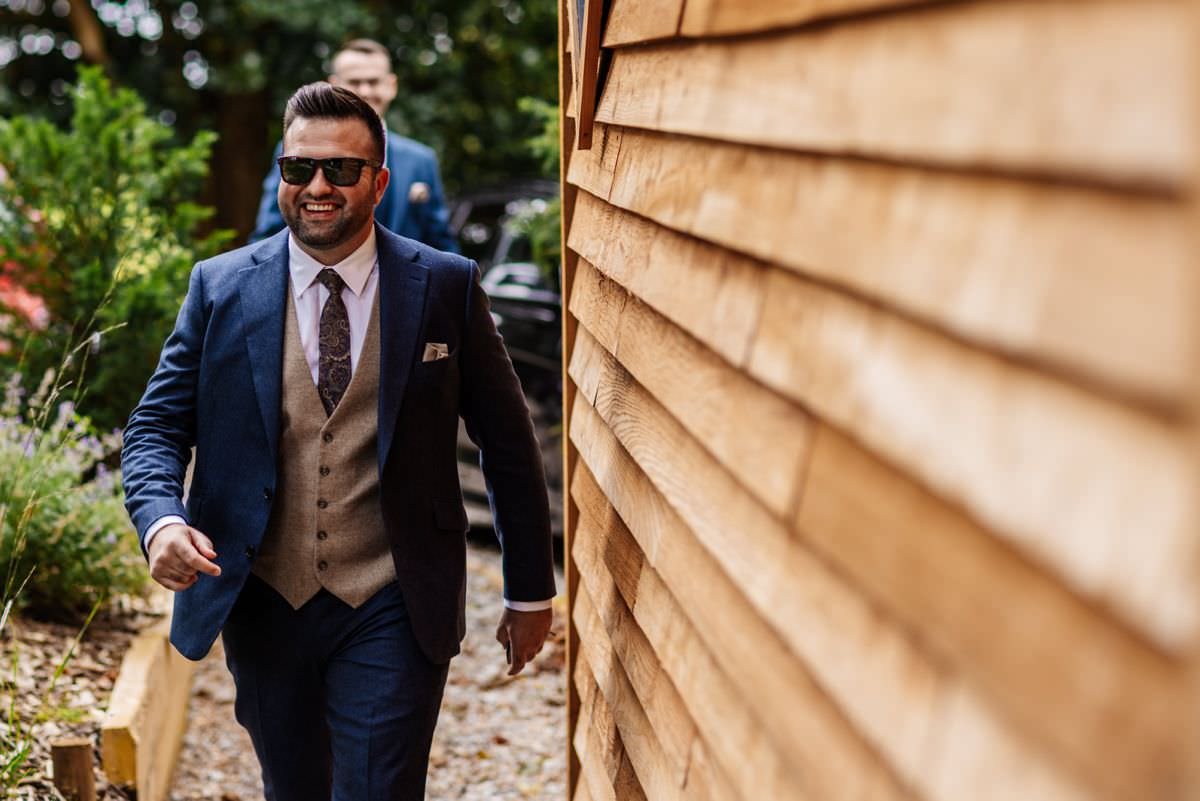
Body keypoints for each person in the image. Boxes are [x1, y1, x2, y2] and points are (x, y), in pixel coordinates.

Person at [121, 83, 555, 801]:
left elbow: (507, 441)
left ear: (379, 182)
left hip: (394, 592)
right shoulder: (219, 286)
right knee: (292, 787)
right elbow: (156, 426)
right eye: (299, 169)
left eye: (341, 171)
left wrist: (530, 588)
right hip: (262, 594)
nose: (317, 187)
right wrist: (161, 520)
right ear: (281, 174)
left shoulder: (445, 285)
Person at [250, 39, 458, 253]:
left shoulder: (421, 160)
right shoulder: (295, 151)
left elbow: (441, 243)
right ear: (333, 85)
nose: (365, 91)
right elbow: (269, 233)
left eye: (374, 81)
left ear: (391, 86)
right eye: (355, 82)